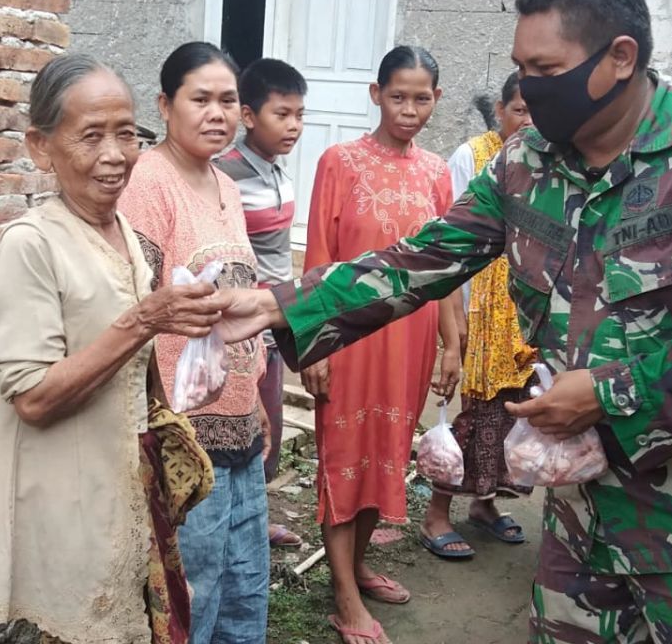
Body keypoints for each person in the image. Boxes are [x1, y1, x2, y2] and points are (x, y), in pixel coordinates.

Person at [216, 0, 672, 642]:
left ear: (620, 57)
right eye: (522, 69)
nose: (530, 89)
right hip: (579, 518)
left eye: (545, 70)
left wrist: (609, 395)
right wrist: (283, 305)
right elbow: (424, 257)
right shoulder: (526, 162)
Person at [0, 54, 221, 644]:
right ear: (40, 147)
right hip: (69, 493)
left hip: (125, 481)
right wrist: (145, 319)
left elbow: (130, 364)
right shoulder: (31, 244)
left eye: (127, 134)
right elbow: (32, 399)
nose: (115, 155)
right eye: (91, 136)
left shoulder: (120, 229)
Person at [300, 45, 460, 644]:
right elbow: (318, 259)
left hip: (410, 343)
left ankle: (358, 564)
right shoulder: (338, 162)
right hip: (349, 341)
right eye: (398, 96)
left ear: (437, 99)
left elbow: (449, 267)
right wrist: (315, 347)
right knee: (345, 461)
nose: (409, 109)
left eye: (422, 98)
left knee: (385, 456)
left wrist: (451, 344)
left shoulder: (438, 171)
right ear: (376, 94)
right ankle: (344, 599)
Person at [119, 42, 271, 644]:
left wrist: (256, 398)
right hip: (186, 439)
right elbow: (135, 310)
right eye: (200, 99)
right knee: (196, 596)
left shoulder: (224, 184)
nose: (217, 113)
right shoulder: (148, 185)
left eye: (228, 100)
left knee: (245, 588)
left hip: (239, 421)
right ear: (165, 104)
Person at [421, 72, 537, 559]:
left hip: (526, 310)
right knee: (470, 412)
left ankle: (486, 505)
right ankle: (436, 515)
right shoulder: (473, 157)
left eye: (537, 112)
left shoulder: (549, 162)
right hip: (480, 306)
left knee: (515, 413)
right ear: (499, 111)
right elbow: (453, 237)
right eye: (519, 111)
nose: (528, 121)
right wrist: (457, 321)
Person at [213, 56, 307, 550]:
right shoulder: (225, 175)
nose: (293, 125)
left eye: (299, 114)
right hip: (242, 323)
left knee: (265, 422)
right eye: (281, 114)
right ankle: (230, 521)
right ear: (249, 117)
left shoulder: (276, 170)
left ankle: (254, 515)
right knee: (240, 423)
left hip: (275, 319)